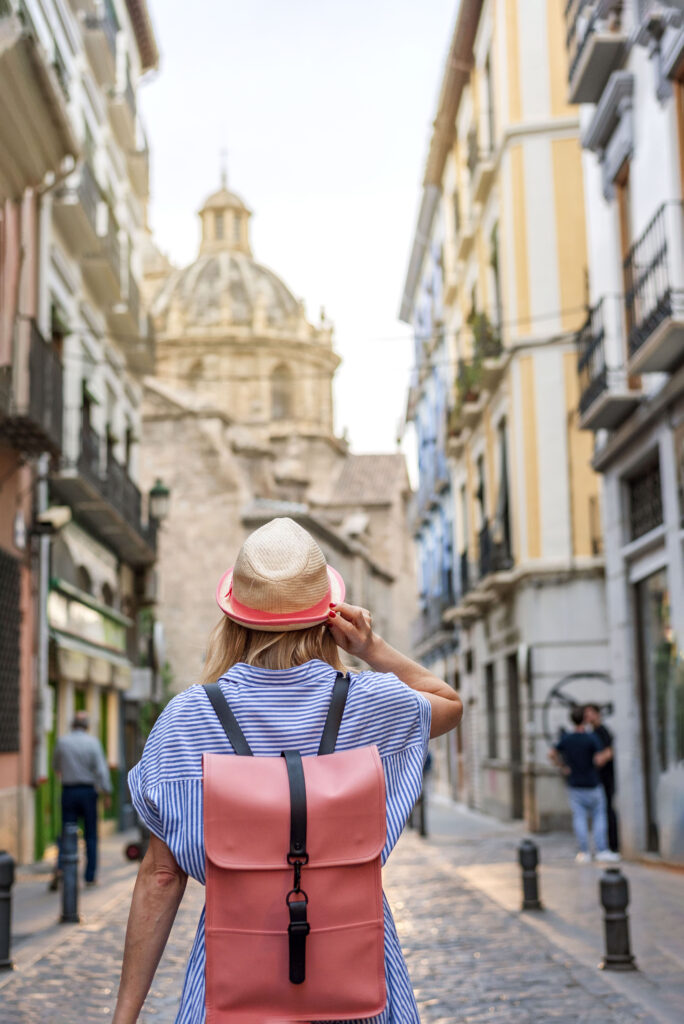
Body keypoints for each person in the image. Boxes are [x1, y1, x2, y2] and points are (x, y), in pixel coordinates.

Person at [112, 517, 463, 1024]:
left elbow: (162, 877)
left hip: (232, 995)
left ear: (233, 617)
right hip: (360, 984)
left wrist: (125, 1015)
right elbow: (447, 703)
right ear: (329, 616)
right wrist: (370, 648)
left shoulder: (187, 718)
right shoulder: (372, 702)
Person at [549, 706, 619, 864]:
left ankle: (584, 852)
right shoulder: (591, 738)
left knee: (579, 818)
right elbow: (600, 759)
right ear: (584, 719)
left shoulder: (567, 738)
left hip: (575, 784)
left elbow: (551, 753)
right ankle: (601, 850)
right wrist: (603, 758)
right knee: (599, 817)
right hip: (593, 783)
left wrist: (562, 766)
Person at [52, 710, 112, 886]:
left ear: (72, 725)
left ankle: (62, 868)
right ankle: (90, 876)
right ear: (87, 726)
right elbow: (101, 771)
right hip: (87, 792)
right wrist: (107, 792)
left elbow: (55, 766)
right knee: (91, 835)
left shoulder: (62, 742)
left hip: (69, 791)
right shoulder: (93, 743)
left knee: (67, 832)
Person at [583, 703, 619, 853]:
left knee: (607, 810)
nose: (587, 717)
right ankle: (606, 845)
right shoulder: (593, 732)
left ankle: (612, 845)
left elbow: (608, 752)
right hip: (599, 778)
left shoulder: (602, 732)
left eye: (590, 713)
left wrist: (594, 761)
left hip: (605, 777)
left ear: (597, 714)